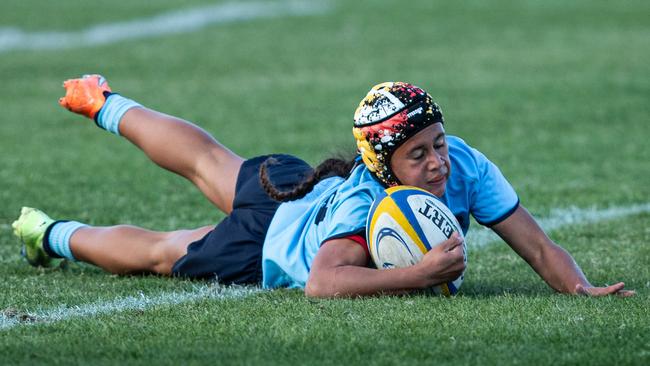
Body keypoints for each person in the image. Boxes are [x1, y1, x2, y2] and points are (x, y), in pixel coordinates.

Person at [12, 76, 634, 298]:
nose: (439, 162)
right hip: (272, 240)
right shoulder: (367, 200)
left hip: (300, 185)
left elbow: (539, 247)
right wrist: (416, 276)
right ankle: (49, 233)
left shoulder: (465, 163)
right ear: (385, 166)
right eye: (419, 155)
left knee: (208, 159)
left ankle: (107, 103)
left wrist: (580, 288)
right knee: (159, 251)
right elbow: (323, 282)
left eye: (439, 142)